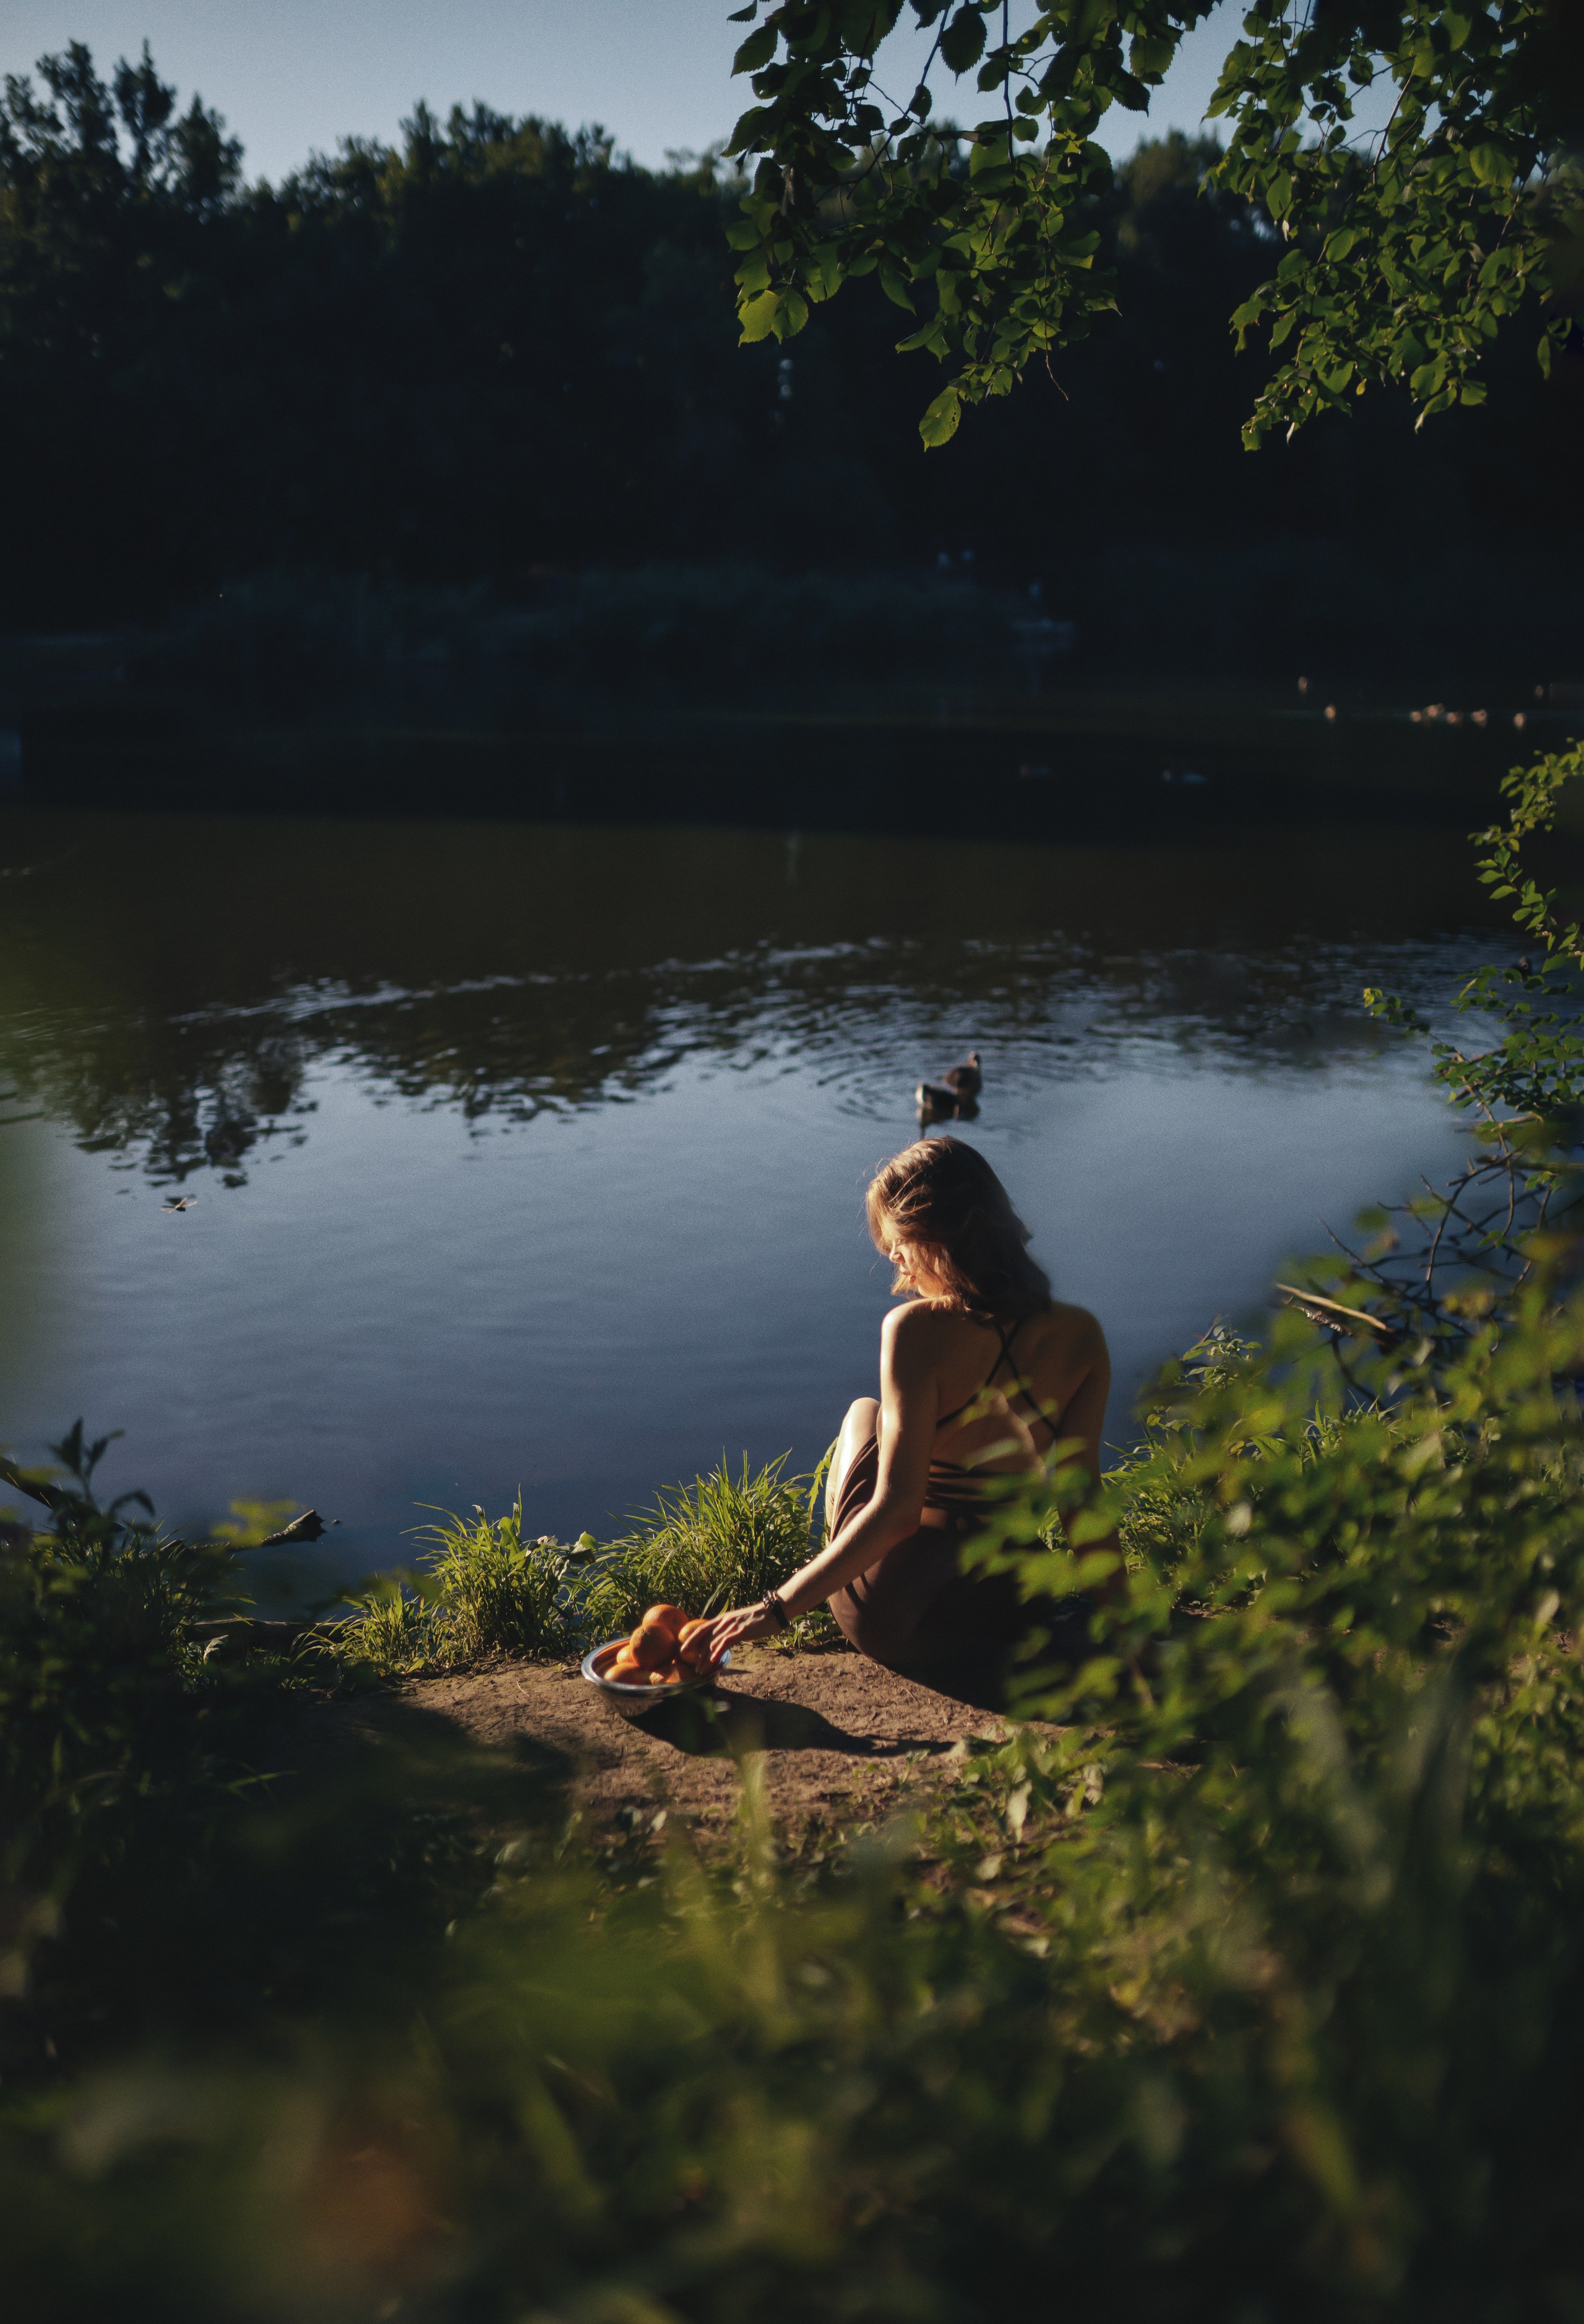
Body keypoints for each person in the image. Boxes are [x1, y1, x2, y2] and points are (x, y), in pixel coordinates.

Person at [695, 1135, 1116, 1693]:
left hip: (897, 1620)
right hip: (1011, 1613)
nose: (894, 1260)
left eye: (899, 1245)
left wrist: (773, 1610)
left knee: (862, 1415)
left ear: (934, 1236)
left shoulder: (915, 1330)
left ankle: (838, 1563)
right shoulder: (1081, 1335)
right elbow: (1080, 1502)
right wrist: (1125, 1626)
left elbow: (898, 1511)